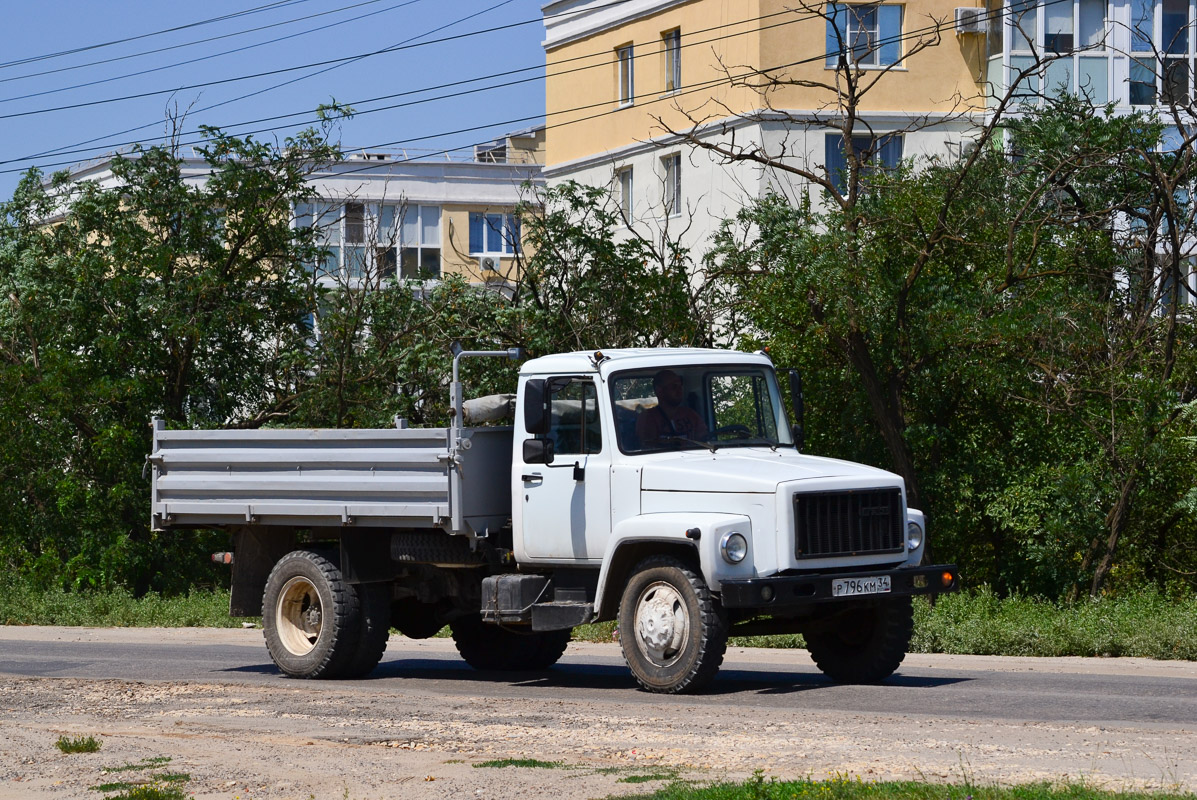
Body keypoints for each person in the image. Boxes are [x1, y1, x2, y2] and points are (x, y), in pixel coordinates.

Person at [636, 369, 707, 447]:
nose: (679, 390)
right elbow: (649, 448)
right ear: (659, 391)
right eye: (674, 386)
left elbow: (705, 440)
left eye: (680, 386)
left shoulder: (690, 414)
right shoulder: (648, 418)